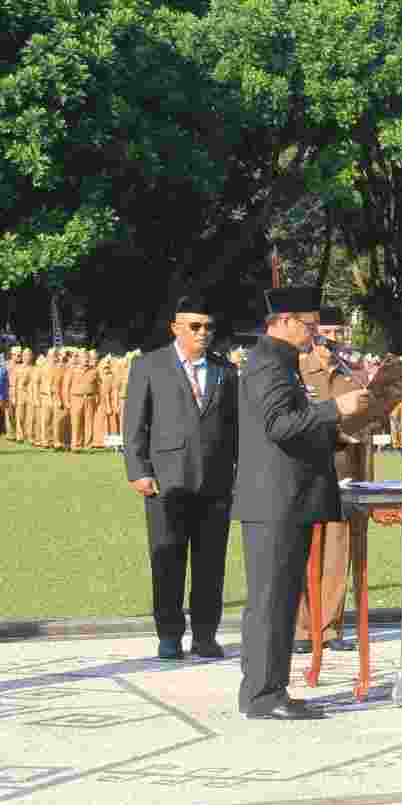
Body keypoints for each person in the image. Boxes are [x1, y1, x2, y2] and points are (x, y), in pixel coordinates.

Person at [234, 287, 367, 721]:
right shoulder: (267, 362)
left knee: (281, 599)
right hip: (274, 500)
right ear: (284, 321)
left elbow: (294, 426)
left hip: (288, 497)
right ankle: (262, 695)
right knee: (271, 601)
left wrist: (337, 429)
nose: (314, 333)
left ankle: (268, 688)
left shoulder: (281, 361)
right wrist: (335, 408)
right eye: (309, 325)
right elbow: (279, 425)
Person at [123, 295, 239, 661]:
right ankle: (169, 635)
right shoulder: (149, 366)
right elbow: (134, 425)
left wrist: (241, 473)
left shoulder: (225, 371)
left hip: (216, 482)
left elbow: (236, 429)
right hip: (166, 482)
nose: (203, 333)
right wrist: (138, 470)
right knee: (168, 559)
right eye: (195, 326)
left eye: (208, 327)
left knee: (210, 564)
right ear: (176, 327)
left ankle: (205, 635)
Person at [293, 323, 372, 655]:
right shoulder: (295, 371)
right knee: (301, 553)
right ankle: (300, 628)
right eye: (329, 330)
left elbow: (367, 427)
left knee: (337, 554)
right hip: (303, 475)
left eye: (340, 331)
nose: (336, 338)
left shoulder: (352, 377)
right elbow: (290, 420)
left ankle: (329, 627)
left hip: (343, 476)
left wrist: (366, 482)